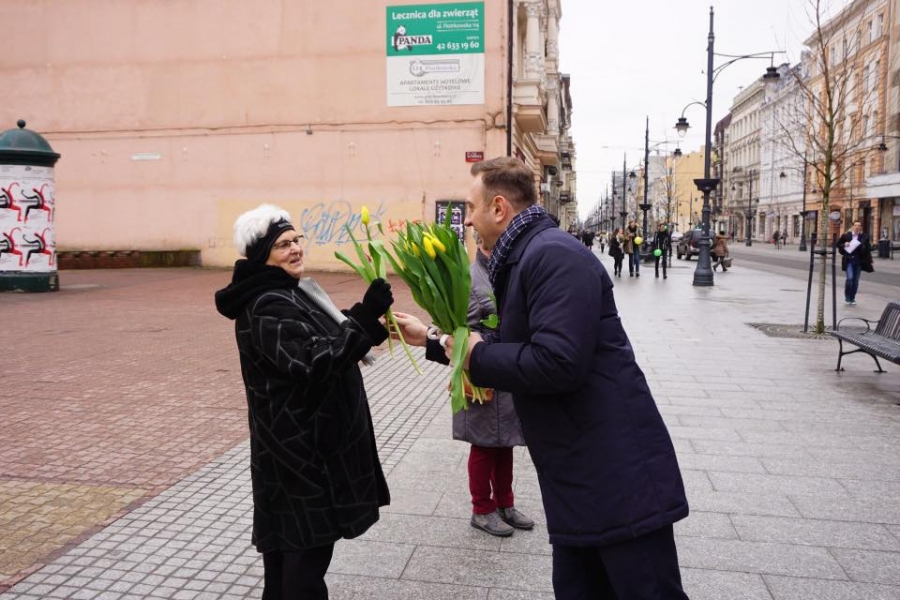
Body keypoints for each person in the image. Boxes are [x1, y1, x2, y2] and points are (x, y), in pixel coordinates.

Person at [397, 158, 690, 599]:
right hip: (579, 476)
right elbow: (509, 341)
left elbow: (557, 361)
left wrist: (475, 354)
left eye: (472, 208)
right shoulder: (526, 256)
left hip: (615, 478)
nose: (468, 220)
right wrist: (434, 340)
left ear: (499, 208)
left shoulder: (552, 255)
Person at [214, 204, 392, 600]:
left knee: (288, 556)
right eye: (282, 244)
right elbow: (313, 361)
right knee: (305, 562)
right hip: (299, 455)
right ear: (262, 255)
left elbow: (322, 335)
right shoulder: (267, 304)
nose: (295, 249)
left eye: (297, 240)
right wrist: (365, 316)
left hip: (299, 449)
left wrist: (368, 324)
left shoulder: (286, 292)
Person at [836, 221, 873, 305]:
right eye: (855, 225)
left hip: (859, 261)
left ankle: (852, 298)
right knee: (850, 279)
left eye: (859, 225)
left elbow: (868, 249)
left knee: (856, 281)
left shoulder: (864, 237)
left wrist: (869, 258)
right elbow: (838, 244)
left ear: (861, 228)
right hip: (849, 260)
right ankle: (847, 297)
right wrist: (844, 244)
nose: (857, 227)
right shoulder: (846, 235)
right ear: (852, 227)